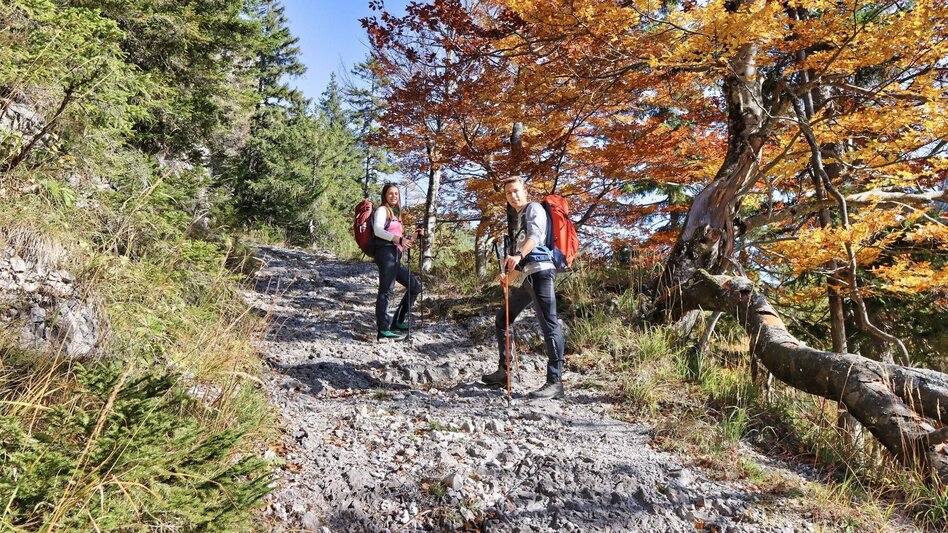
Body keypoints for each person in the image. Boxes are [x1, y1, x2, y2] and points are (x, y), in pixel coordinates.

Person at [482, 176, 565, 399]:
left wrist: (517, 254)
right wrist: (508, 278)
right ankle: (504, 372)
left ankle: (555, 382)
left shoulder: (534, 209)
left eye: (516, 191)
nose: (513, 196)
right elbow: (524, 260)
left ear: (525, 191)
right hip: (530, 277)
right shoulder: (520, 219)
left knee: (549, 324)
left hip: (542, 274)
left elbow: (535, 238)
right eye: (508, 193)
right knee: (503, 319)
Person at [372, 182, 423, 341]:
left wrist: (414, 236)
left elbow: (402, 241)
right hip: (385, 254)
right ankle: (383, 331)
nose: (394, 196)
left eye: (396, 193)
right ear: (384, 195)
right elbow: (378, 230)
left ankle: (398, 322)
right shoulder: (382, 210)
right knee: (386, 290)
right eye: (390, 193)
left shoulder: (396, 215)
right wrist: (398, 239)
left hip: (395, 256)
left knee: (415, 286)